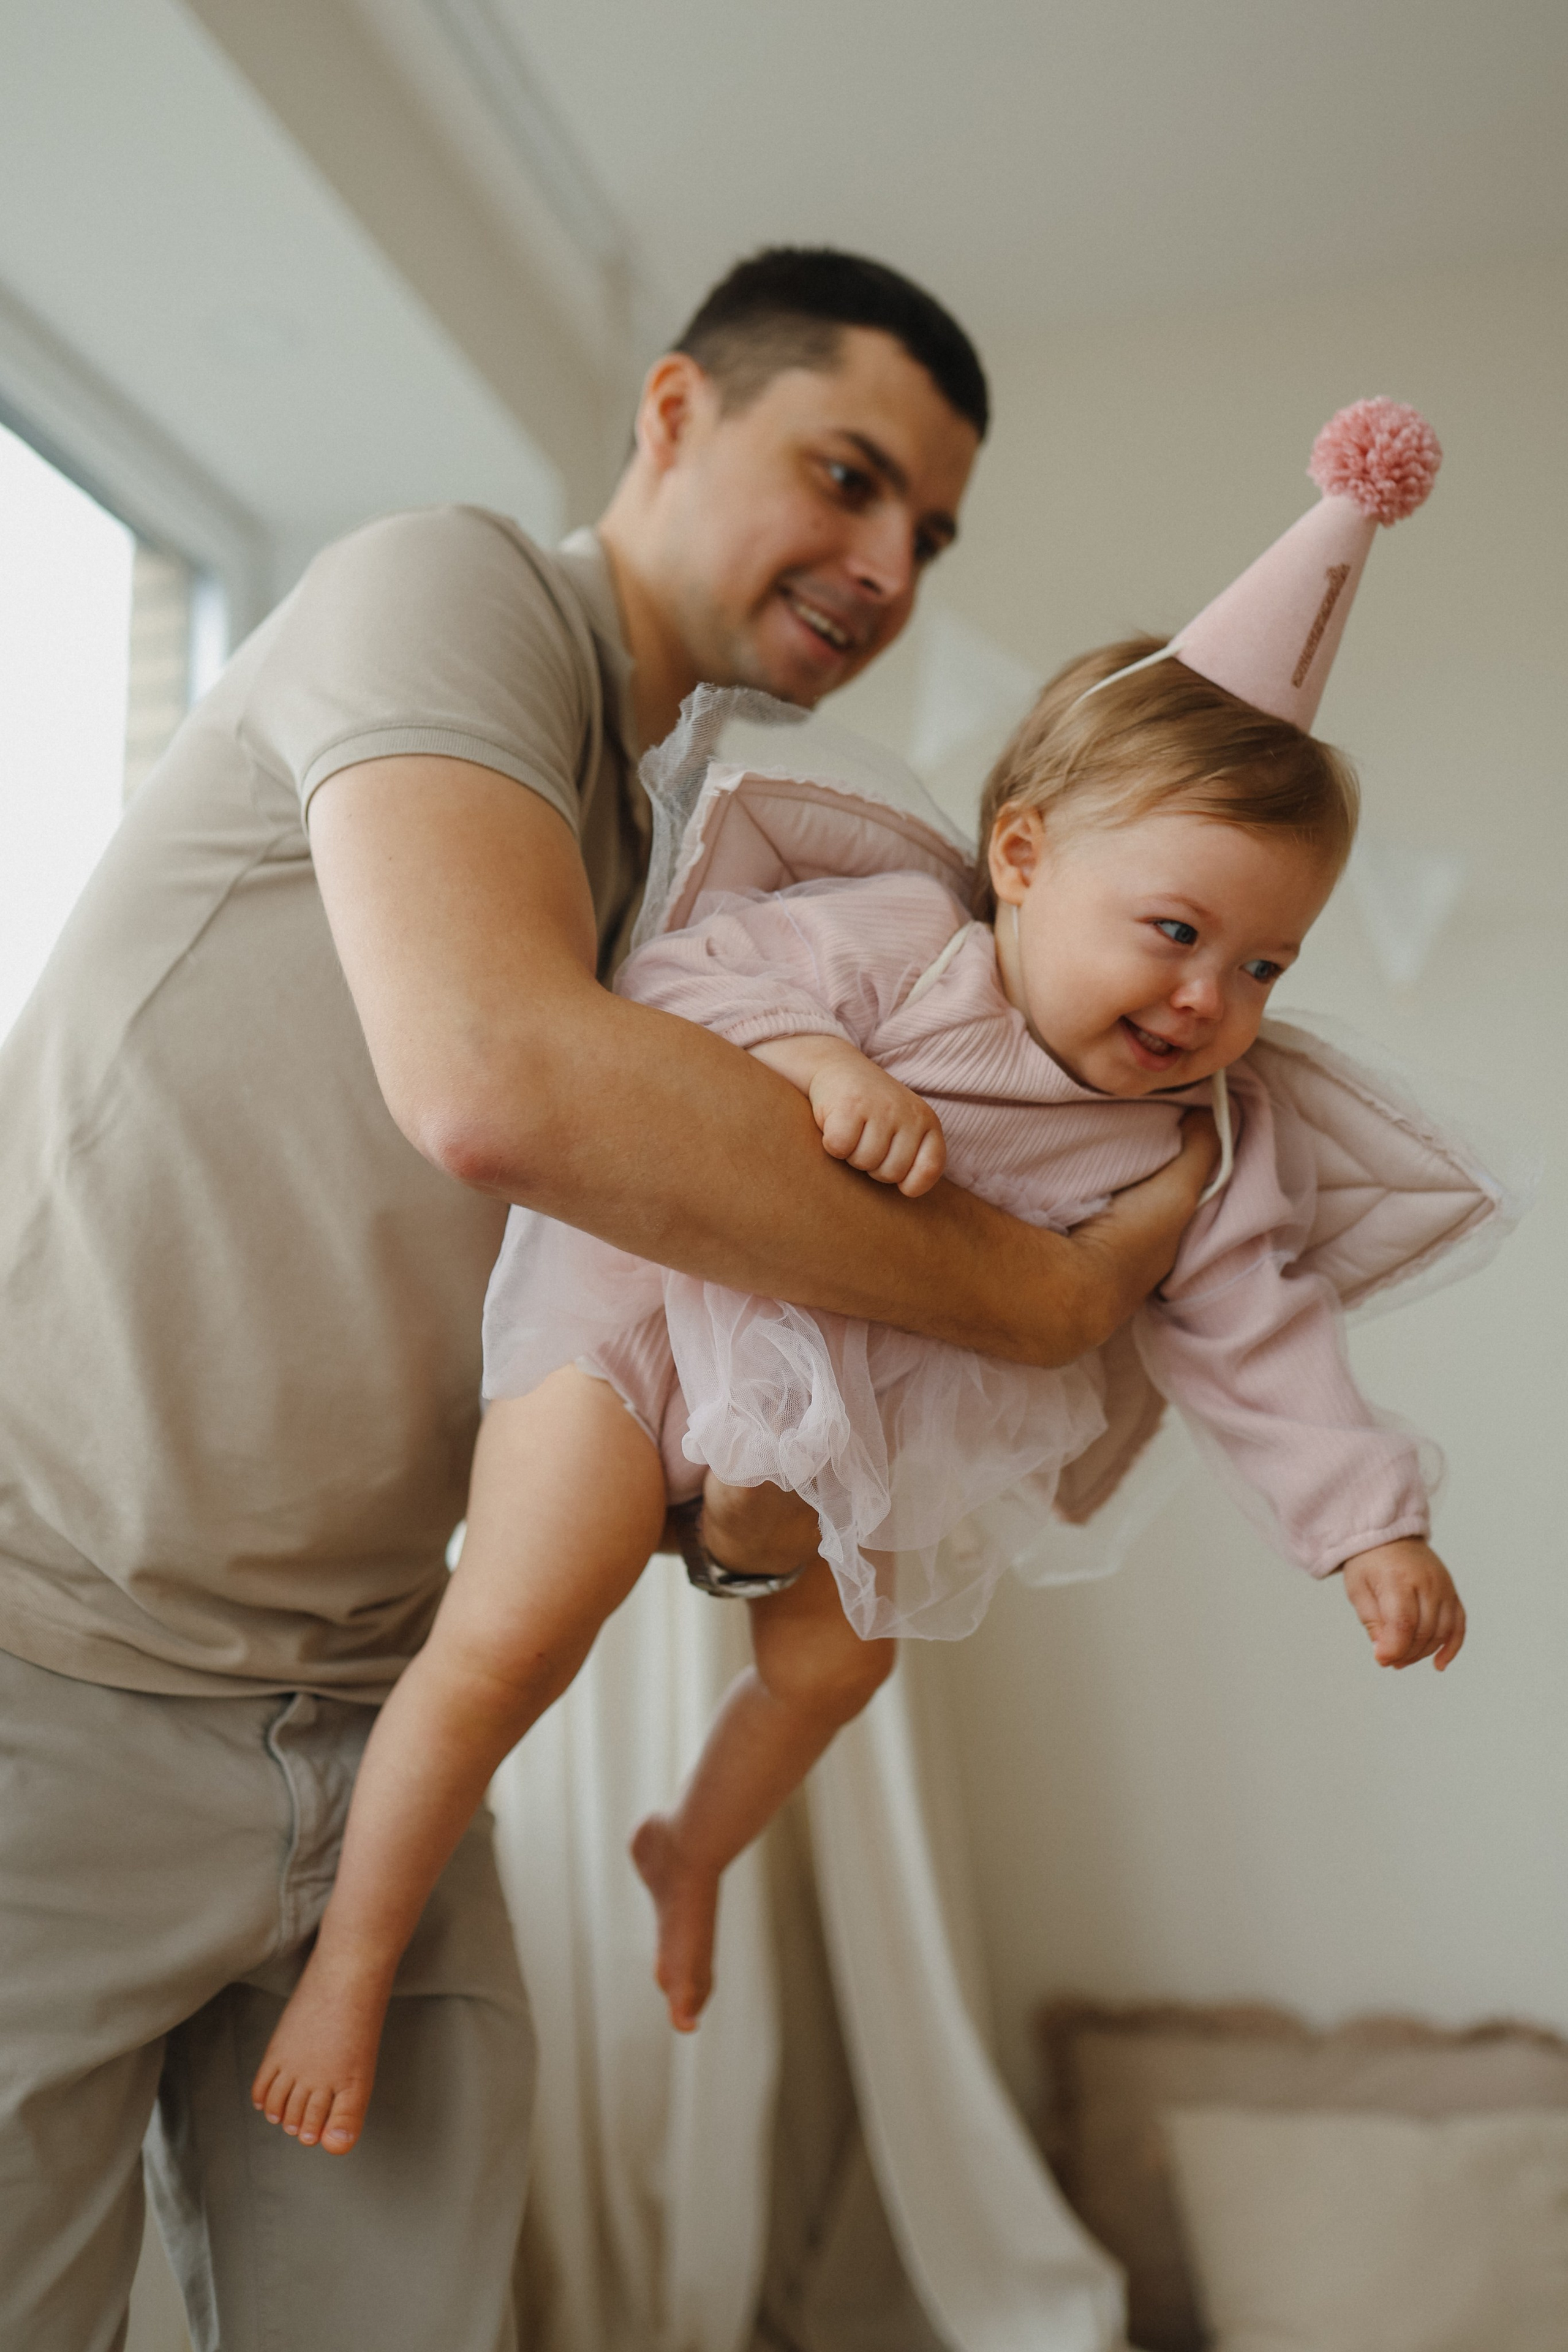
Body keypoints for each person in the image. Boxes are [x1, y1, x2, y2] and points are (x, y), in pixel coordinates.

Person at [0, 247, 1215, 2350]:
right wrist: (1028, 1300)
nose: (884, 563)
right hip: (53, 1685)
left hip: (378, 1722)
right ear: (671, 412)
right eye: (843, 477)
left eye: (925, 533)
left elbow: (621, 1324)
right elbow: (493, 1080)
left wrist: (740, 1519)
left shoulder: (688, 861)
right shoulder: (442, 590)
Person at [248, 401, 1473, 2139]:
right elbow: (675, 994)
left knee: (836, 1670)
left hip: (847, 1426)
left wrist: (1370, 1523)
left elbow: (1259, 1335)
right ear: (1030, 861)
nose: (1211, 1001)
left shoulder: (1193, 1134)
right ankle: (351, 1964)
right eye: (1178, 932)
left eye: (1267, 964)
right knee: (530, 1612)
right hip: (640, 1318)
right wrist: (824, 1070)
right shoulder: (903, 948)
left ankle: (690, 1848)